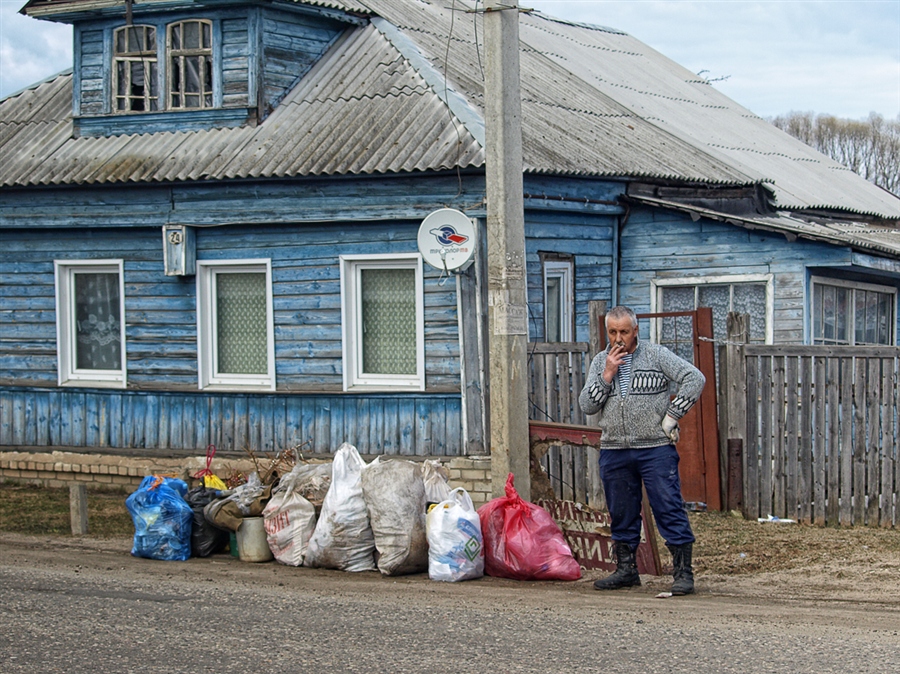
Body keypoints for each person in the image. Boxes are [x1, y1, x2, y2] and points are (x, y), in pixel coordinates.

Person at [579, 305, 705, 595]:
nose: (618, 338)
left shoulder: (656, 355)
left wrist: (672, 416)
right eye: (612, 332)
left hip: (655, 448)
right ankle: (626, 570)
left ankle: (683, 573)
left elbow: (694, 378)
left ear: (636, 330)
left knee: (668, 506)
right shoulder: (601, 361)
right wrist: (607, 374)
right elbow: (587, 406)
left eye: (624, 331)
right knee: (621, 511)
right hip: (614, 449)